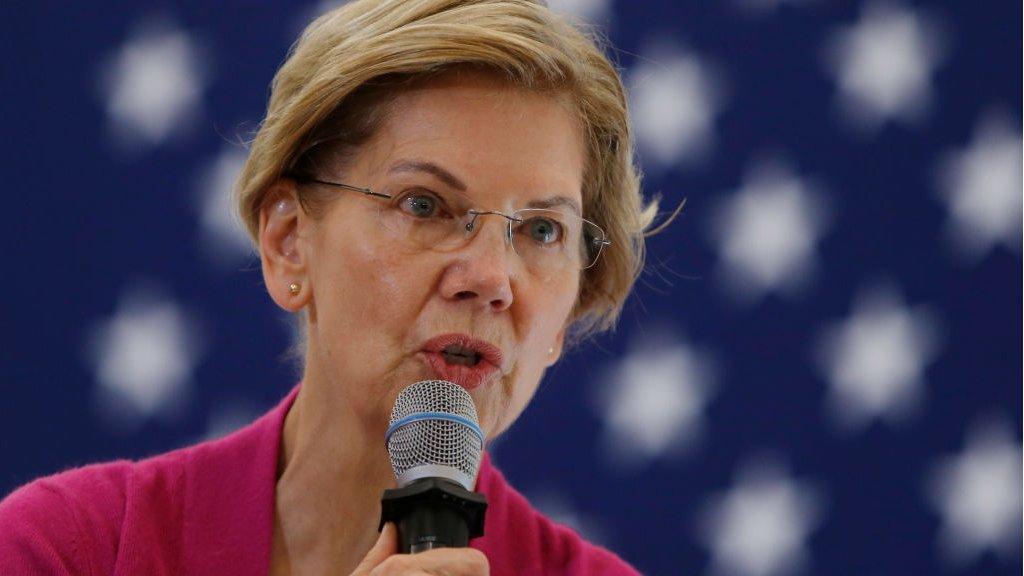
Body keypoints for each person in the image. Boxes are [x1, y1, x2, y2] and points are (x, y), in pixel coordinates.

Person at [0, 0, 665, 573]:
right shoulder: (69, 551)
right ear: (290, 243)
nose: (492, 278)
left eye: (543, 231)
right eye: (425, 205)